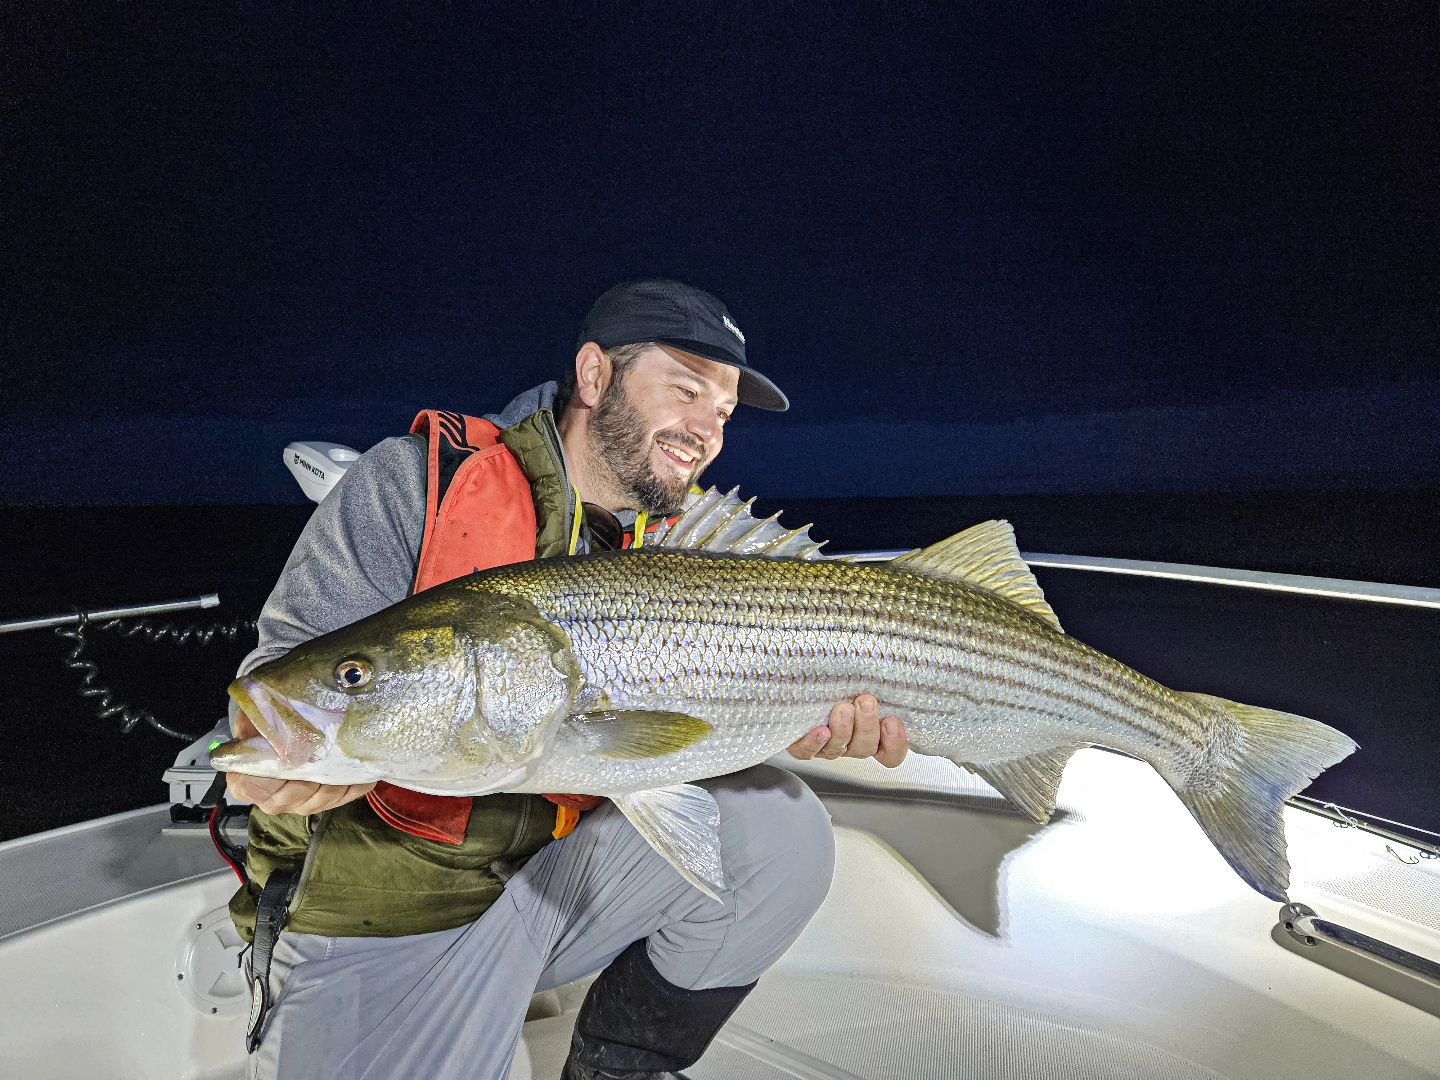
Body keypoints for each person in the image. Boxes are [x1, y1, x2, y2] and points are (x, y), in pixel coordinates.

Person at [225, 279, 911, 1080]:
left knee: (778, 831)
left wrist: (795, 714)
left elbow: (672, 742)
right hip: (387, 918)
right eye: (685, 390)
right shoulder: (414, 484)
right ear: (593, 376)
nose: (705, 430)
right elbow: (284, 672)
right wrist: (272, 767)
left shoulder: (681, 546)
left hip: (546, 893)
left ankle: (615, 1067)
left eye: (722, 412)